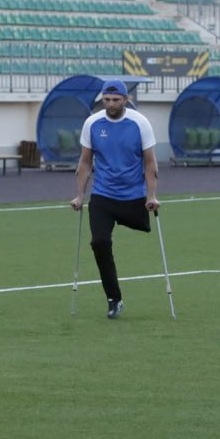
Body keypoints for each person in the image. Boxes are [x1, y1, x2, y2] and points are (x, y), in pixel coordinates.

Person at [70, 79, 159, 319]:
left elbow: (150, 162)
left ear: (125, 100)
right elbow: (85, 162)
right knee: (99, 242)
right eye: (107, 100)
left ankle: (132, 216)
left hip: (132, 195)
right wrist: (79, 196)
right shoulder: (92, 123)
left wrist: (151, 195)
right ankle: (114, 299)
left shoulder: (140, 123)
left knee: (143, 226)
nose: (110, 104)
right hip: (103, 194)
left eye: (116, 100)